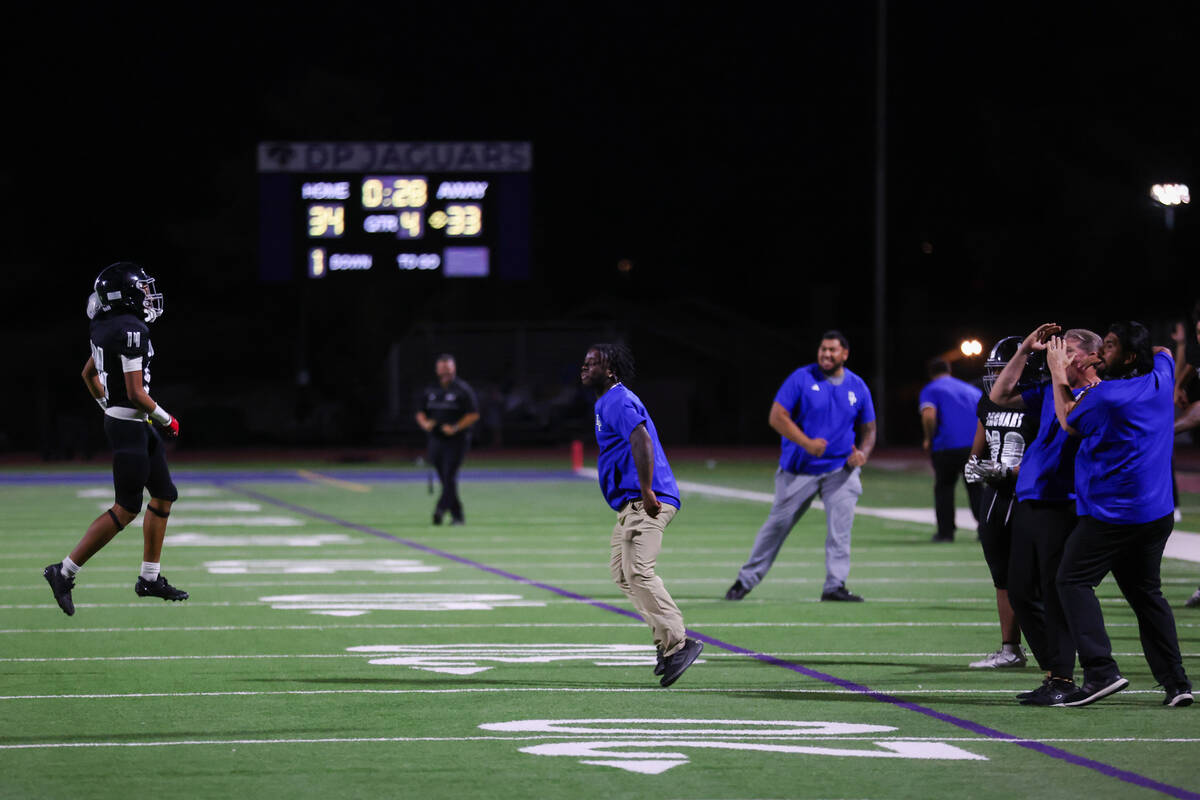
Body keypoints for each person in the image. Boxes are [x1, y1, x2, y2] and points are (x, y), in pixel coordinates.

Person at [1047, 323, 1192, 707]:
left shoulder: (1108, 396)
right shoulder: (1161, 377)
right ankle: (1177, 683)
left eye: (1109, 347)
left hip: (1113, 515)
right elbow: (1162, 349)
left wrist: (1058, 372)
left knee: (1072, 581)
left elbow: (1067, 420)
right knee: (1147, 595)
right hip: (1156, 513)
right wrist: (1141, 349)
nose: (1099, 354)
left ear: (1128, 357)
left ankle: (1100, 671)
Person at [43, 263, 187, 616]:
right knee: (126, 508)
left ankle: (149, 578)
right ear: (126, 295)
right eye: (141, 290)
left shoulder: (106, 325)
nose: (147, 296)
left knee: (165, 495)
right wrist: (168, 420)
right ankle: (63, 571)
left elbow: (89, 373)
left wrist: (106, 403)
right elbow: (137, 393)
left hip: (129, 423)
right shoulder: (131, 330)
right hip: (131, 426)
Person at [989, 323, 1101, 705]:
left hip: (1062, 502)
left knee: (1055, 594)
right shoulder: (1054, 391)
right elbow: (999, 395)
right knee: (1020, 591)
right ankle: (1054, 672)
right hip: (1030, 500)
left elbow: (1071, 423)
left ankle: (1065, 677)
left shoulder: (1095, 395)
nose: (1057, 355)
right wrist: (1023, 351)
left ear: (1089, 357)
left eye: (1066, 350)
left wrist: (1057, 375)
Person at [581, 343, 703, 687]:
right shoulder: (606, 401)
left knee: (639, 570)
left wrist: (647, 490)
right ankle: (667, 645)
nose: (585, 367)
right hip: (630, 504)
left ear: (611, 371)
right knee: (622, 573)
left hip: (647, 499)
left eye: (594, 363)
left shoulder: (618, 399)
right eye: (585, 362)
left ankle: (678, 643)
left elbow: (642, 440)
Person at [725, 330, 876, 602]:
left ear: (845, 354)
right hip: (799, 471)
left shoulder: (858, 386)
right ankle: (745, 581)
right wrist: (806, 443)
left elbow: (870, 428)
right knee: (776, 526)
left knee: (840, 532)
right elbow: (776, 416)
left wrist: (863, 453)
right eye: (823, 349)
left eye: (832, 350)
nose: (826, 354)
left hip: (840, 472)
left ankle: (835, 585)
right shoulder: (801, 378)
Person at [961, 337, 1040, 668]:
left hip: (1031, 494)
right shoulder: (988, 401)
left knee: (1034, 577)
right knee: (1001, 574)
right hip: (995, 495)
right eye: (994, 370)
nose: (996, 377)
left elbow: (1048, 451)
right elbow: (982, 434)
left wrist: (1012, 470)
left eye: (1002, 369)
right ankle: (1010, 649)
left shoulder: (1041, 399)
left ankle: (1055, 653)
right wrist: (974, 461)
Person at [919, 359, 983, 542]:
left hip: (946, 446)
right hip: (974, 445)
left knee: (944, 488)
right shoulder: (971, 390)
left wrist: (928, 438)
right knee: (976, 487)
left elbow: (929, 415)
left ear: (931, 373)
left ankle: (945, 533)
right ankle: (985, 529)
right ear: (950, 370)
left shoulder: (931, 389)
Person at [415, 354, 479, 525]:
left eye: (449, 369)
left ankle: (440, 510)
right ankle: (458, 515)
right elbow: (420, 412)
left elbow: (473, 414)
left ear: (454, 369)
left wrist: (456, 427)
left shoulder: (463, 389)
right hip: (436, 440)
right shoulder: (430, 389)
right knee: (444, 478)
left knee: (449, 475)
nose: (445, 372)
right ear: (437, 370)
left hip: (457, 440)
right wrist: (425, 424)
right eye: (442, 369)